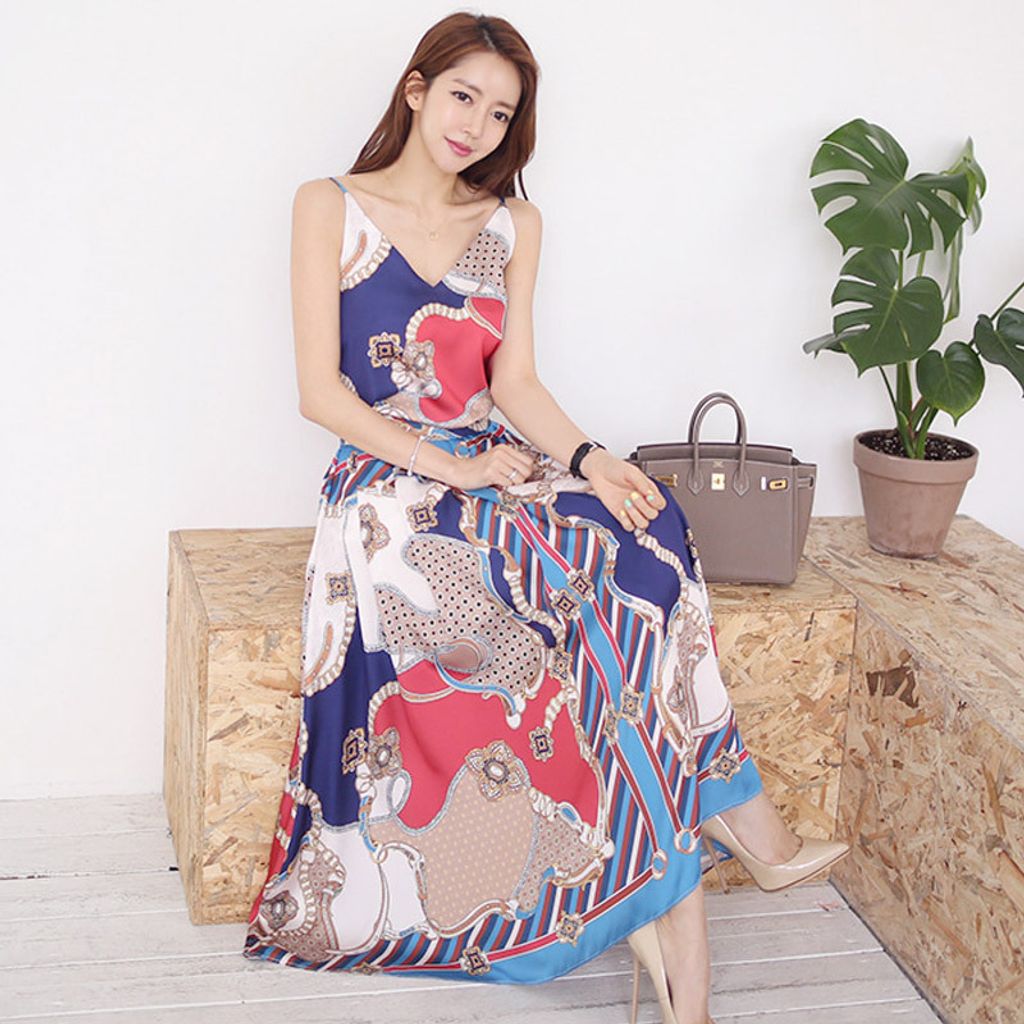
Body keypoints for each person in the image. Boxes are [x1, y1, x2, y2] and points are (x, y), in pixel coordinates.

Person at [241, 12, 849, 1024]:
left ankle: (730, 826)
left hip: (495, 462)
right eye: (462, 96)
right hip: (385, 486)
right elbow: (321, 393)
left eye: (500, 113)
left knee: (650, 538)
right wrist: (453, 465)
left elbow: (514, 380)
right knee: (545, 598)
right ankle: (714, 890)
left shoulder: (513, 224)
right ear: (416, 90)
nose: (475, 124)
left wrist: (592, 459)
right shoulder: (329, 206)